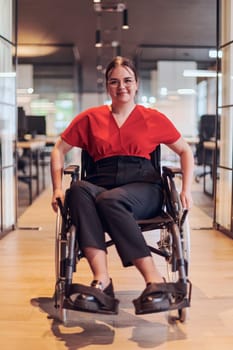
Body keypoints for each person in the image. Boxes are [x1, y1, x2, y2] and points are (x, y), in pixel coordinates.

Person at [50, 56, 194, 315]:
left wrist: (186, 190)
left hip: (144, 187)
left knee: (109, 199)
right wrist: (57, 188)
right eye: (114, 81)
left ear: (137, 84)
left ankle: (154, 280)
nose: (121, 87)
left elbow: (185, 150)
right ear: (107, 86)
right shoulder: (90, 118)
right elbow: (59, 149)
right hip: (100, 183)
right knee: (78, 191)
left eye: (127, 80)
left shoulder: (153, 118)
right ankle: (102, 281)